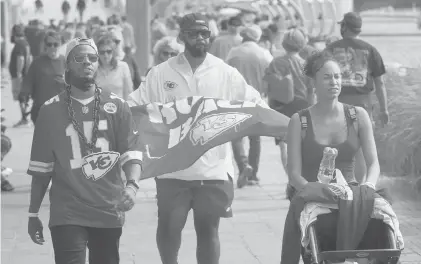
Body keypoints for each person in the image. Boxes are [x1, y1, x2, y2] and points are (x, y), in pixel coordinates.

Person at [127, 13, 266, 264]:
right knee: (169, 230)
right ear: (182, 37)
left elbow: (255, 103)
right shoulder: (160, 74)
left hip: (213, 171)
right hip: (172, 172)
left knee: (208, 230)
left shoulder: (225, 72)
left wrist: (286, 125)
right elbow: (133, 106)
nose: (200, 38)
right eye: (193, 33)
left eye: (204, 33)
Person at [26, 38, 143, 264]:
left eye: (92, 58)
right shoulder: (49, 110)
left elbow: (131, 152)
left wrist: (132, 185)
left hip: (108, 208)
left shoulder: (117, 106)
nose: (87, 62)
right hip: (67, 211)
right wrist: (33, 214)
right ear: (67, 64)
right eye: (79, 58)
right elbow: (41, 170)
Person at [282, 51, 380, 263]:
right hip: (311, 193)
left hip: (350, 193)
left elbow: (373, 164)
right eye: (326, 77)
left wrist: (368, 186)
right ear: (313, 82)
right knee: (315, 240)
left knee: (383, 221)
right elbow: (294, 175)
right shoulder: (299, 121)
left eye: (336, 76)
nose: (333, 82)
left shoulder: (357, 115)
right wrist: (316, 190)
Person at [325, 12, 389, 183]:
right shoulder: (370, 50)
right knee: (360, 148)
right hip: (363, 105)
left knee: (336, 145)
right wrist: (384, 109)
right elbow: (380, 83)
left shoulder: (331, 49)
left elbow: (319, 79)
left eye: (341, 25)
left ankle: (338, 185)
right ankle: (359, 187)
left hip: (336, 104)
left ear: (344, 26)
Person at [226, 24, 274, 187]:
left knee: (236, 136)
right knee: (255, 138)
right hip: (256, 99)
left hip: (235, 99)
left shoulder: (233, 53)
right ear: (257, 37)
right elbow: (270, 77)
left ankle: (243, 165)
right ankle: (253, 174)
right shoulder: (264, 54)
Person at [264, 28, 314, 176]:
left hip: (281, 106)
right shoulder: (306, 65)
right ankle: (300, 178)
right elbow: (311, 90)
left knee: (283, 145)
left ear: (284, 45)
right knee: (301, 145)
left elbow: (268, 87)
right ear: (302, 45)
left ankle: (290, 179)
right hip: (302, 106)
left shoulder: (275, 63)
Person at [21, 30, 66, 124]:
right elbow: (28, 81)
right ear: (45, 45)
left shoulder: (66, 62)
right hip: (40, 110)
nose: (52, 47)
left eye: (55, 44)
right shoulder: (37, 62)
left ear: (60, 44)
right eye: (49, 44)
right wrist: (24, 97)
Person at [95, 34, 133, 100]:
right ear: (98, 53)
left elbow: (129, 92)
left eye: (109, 51)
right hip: (100, 108)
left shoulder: (123, 67)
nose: (105, 55)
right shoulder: (93, 69)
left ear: (113, 52)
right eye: (102, 52)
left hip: (120, 107)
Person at [9, 24, 32, 127]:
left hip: (19, 75)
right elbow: (29, 58)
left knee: (20, 97)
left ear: (14, 34)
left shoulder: (19, 45)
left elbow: (21, 59)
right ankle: (25, 118)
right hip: (25, 74)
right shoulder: (26, 43)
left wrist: (18, 73)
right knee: (24, 96)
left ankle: (24, 118)